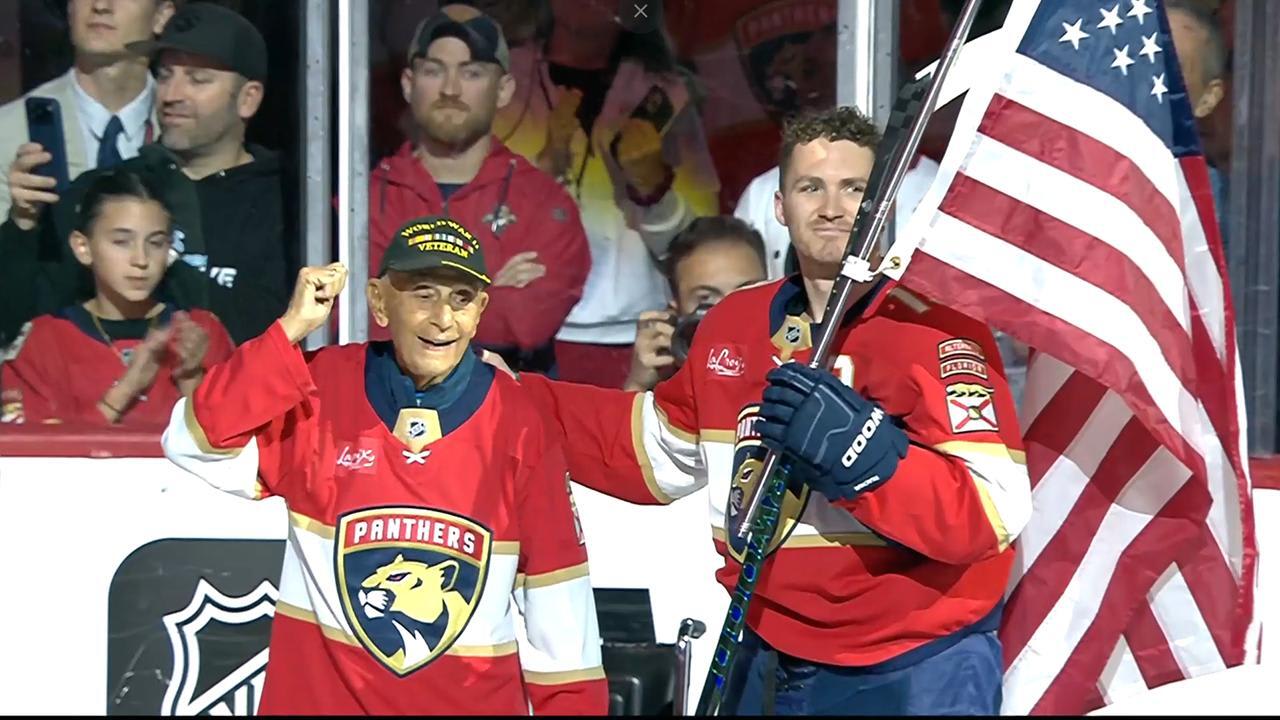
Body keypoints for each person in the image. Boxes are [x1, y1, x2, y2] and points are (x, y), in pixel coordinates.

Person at [492, 106, 1033, 714]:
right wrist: (515, 397)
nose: (832, 207)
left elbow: (992, 514)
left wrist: (870, 458)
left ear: (884, 202)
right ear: (780, 206)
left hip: (915, 661)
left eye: (854, 188)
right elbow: (654, 450)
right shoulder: (735, 325)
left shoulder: (937, 327)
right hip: (768, 646)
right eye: (811, 187)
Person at [160, 215, 607, 715]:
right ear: (378, 301)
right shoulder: (320, 390)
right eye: (422, 293)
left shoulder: (522, 421)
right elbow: (192, 441)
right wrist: (289, 331)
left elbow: (563, 628)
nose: (443, 318)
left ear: (480, 311)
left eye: (461, 299)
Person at [0, 2, 294, 348]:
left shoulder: (290, 203)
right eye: (166, 75)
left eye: (198, 80)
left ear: (248, 100)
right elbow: (20, 314)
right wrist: (22, 225)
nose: (172, 95)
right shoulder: (110, 190)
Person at [494, 0, 720, 388]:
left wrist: (652, 188)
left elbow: (699, 248)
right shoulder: (501, 80)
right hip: (522, 328)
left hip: (637, 335)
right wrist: (545, 170)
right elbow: (471, 216)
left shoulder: (666, 94)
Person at [368, 4, 590, 376]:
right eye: (434, 71)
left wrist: (407, 300)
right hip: (379, 417)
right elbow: (352, 321)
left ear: (503, 90)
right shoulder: (364, 198)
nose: (451, 90)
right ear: (408, 84)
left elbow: (530, 322)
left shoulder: (545, 203)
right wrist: (492, 292)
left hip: (504, 420)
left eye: (471, 73)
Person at [0, 169, 230, 426]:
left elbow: (236, 449)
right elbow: (33, 457)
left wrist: (191, 378)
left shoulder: (202, 332)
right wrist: (124, 391)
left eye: (155, 243)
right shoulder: (44, 341)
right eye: (121, 242)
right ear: (83, 247)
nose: (141, 260)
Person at [0, 0, 178, 219]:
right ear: (69, 9)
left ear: (161, 16)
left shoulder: (188, 130)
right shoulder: (8, 133)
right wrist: (21, 220)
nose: (101, 5)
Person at [624, 215, 768, 392]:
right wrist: (638, 385)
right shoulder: (667, 393)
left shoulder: (798, 362)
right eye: (706, 299)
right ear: (676, 310)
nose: (730, 313)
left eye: (746, 292)